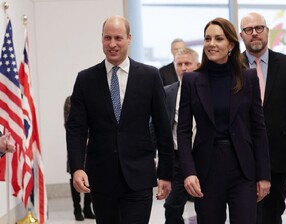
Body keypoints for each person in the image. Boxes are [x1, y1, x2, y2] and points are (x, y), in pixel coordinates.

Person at [66, 15, 174, 224]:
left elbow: (163, 127)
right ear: (101, 39)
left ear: (129, 39)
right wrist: (78, 167)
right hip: (101, 177)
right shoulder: (85, 79)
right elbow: (76, 128)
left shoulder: (149, 76)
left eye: (118, 38)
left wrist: (166, 174)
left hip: (139, 176)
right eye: (107, 38)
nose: (112, 44)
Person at [177, 17, 271, 224]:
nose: (211, 44)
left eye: (218, 39)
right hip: (206, 168)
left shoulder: (248, 78)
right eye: (207, 38)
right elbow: (183, 130)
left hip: (243, 168)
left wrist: (264, 175)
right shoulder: (192, 80)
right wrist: (189, 172)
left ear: (230, 44)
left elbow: (258, 129)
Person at [239, 12, 286, 224]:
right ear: (241, 35)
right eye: (248, 30)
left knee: (273, 214)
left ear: (267, 31)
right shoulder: (231, 66)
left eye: (258, 28)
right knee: (246, 215)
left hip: (279, 154)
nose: (254, 33)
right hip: (241, 155)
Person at [163, 47, 200, 224]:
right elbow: (159, 127)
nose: (184, 68)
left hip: (203, 156)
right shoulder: (167, 92)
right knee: (172, 206)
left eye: (188, 63)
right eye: (179, 64)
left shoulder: (208, 90)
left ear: (197, 65)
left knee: (207, 205)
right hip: (177, 159)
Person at [63, 96, 95, 221]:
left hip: (94, 145)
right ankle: (77, 208)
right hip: (77, 146)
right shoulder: (70, 100)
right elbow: (69, 123)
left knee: (91, 175)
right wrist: (83, 139)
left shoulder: (93, 99)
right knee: (75, 174)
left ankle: (87, 207)